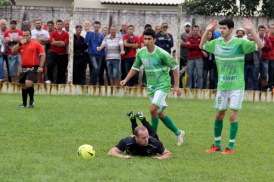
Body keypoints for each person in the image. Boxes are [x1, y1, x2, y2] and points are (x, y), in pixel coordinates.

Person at [199, 18, 264, 154]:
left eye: (224, 28)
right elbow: (202, 46)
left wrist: (251, 30)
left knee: (232, 116)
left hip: (236, 85)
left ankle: (230, 147)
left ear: (231, 29)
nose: (221, 31)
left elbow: (260, 45)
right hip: (222, 86)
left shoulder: (240, 43)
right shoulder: (216, 43)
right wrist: (207, 30)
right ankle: (217, 145)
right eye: (220, 28)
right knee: (218, 115)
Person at [120, 29, 185, 146]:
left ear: (154, 40)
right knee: (159, 114)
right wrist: (126, 79)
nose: (146, 41)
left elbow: (175, 67)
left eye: (149, 39)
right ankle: (178, 132)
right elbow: (135, 68)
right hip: (151, 87)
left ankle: (151, 139)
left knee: (152, 109)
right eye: (145, 39)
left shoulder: (162, 53)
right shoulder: (141, 53)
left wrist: (176, 86)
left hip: (163, 85)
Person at [12, 29, 45, 108]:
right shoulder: (21, 44)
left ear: (31, 35)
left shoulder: (36, 44)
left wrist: (41, 66)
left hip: (33, 67)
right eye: (24, 35)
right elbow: (13, 51)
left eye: (27, 35)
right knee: (23, 85)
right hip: (24, 67)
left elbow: (43, 55)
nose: (25, 37)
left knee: (28, 83)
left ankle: (31, 101)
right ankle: (24, 104)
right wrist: (20, 44)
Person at [48, 19, 69, 84]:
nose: (59, 26)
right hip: (54, 52)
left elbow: (64, 44)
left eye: (60, 24)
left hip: (62, 54)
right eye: (58, 24)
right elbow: (51, 42)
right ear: (56, 25)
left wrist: (55, 42)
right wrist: (61, 42)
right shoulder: (53, 33)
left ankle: (59, 82)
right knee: (50, 65)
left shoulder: (66, 34)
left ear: (62, 25)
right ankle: (50, 80)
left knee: (61, 68)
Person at [84, 21, 104, 85]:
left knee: (97, 70)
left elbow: (103, 45)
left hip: (99, 55)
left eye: (97, 27)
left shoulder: (101, 36)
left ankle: (94, 82)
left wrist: (102, 55)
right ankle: (92, 81)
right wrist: (87, 33)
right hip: (92, 54)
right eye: (95, 27)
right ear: (93, 27)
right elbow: (86, 41)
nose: (96, 28)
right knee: (95, 67)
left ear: (100, 27)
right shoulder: (90, 33)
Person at [185, 25, 203, 89]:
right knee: (189, 74)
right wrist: (197, 45)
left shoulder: (201, 38)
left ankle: (199, 88)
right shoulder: (189, 38)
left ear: (198, 30)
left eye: (196, 30)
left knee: (199, 74)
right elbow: (187, 46)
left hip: (199, 58)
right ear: (192, 30)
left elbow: (201, 46)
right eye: (194, 30)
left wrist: (192, 45)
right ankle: (188, 88)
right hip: (190, 58)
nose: (195, 31)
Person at [255, 25, 272, 90]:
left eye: (263, 30)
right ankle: (256, 89)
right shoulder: (255, 38)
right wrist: (264, 46)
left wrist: (261, 45)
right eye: (260, 30)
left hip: (265, 59)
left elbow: (269, 48)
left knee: (264, 75)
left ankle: (264, 89)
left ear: (265, 31)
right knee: (255, 75)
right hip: (257, 60)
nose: (261, 32)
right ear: (258, 31)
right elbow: (255, 47)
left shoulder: (267, 39)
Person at [180, 22, 192, 88]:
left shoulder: (192, 35)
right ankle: (180, 86)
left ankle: (188, 87)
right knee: (181, 72)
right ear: (184, 27)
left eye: (188, 26)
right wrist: (188, 44)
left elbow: (192, 44)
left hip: (190, 57)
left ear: (190, 27)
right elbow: (180, 43)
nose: (187, 28)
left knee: (189, 73)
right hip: (182, 56)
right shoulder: (181, 35)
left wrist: (186, 44)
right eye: (186, 26)